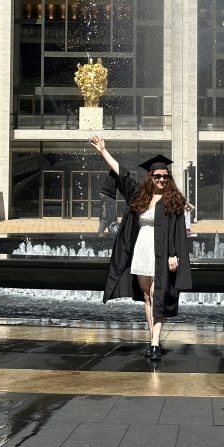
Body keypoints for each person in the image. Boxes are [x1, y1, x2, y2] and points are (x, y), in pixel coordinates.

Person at [90, 135, 192, 362]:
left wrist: (174, 254)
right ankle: (152, 339)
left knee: (158, 295)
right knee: (147, 297)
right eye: (158, 176)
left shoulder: (173, 199)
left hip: (162, 253)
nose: (162, 180)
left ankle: (155, 342)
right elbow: (122, 173)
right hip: (142, 251)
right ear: (151, 177)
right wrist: (103, 151)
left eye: (165, 176)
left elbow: (178, 230)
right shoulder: (140, 196)